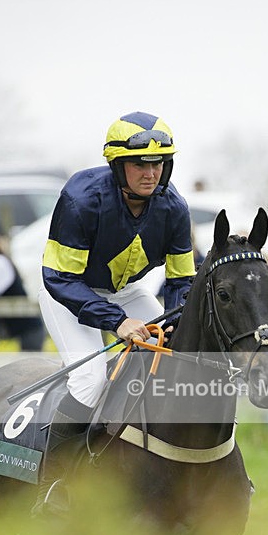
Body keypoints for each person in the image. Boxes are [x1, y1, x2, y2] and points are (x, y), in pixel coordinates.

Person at [35, 110, 196, 514]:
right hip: (67, 292)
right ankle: (54, 482)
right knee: (89, 381)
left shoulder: (175, 208)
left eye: (158, 163)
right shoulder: (80, 199)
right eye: (140, 163)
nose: (150, 173)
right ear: (117, 165)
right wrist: (117, 322)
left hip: (126, 292)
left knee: (176, 356)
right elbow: (60, 278)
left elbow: (181, 282)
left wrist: (176, 323)